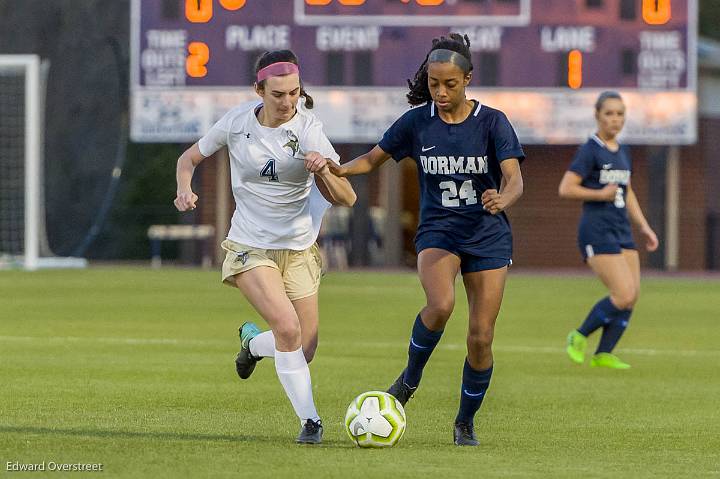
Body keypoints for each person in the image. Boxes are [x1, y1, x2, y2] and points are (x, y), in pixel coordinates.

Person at [328, 33, 525, 446]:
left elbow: (514, 177)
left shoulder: (492, 121)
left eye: (449, 84)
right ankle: (409, 379)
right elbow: (373, 158)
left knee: (481, 336)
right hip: (438, 230)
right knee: (440, 304)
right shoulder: (419, 122)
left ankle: (464, 422)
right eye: (434, 83)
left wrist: (503, 197)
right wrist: (340, 170)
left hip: (487, 235)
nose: (440, 91)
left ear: (467, 79)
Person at [174, 49, 356, 444]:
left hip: (299, 249)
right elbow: (188, 159)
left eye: (294, 93)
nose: (288, 102)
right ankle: (310, 422)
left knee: (303, 347)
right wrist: (183, 189)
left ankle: (253, 344)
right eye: (278, 94)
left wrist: (323, 167)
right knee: (288, 328)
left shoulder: (309, 129)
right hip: (250, 245)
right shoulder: (237, 122)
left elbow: (348, 198)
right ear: (258, 90)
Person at [559, 91, 659, 370]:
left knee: (632, 295)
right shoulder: (590, 149)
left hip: (622, 230)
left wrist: (645, 227)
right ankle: (578, 335)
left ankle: (604, 354)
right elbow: (566, 188)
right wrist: (599, 194)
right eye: (609, 113)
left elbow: (627, 192)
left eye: (620, 114)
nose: (615, 119)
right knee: (623, 294)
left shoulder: (623, 150)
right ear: (597, 116)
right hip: (596, 230)